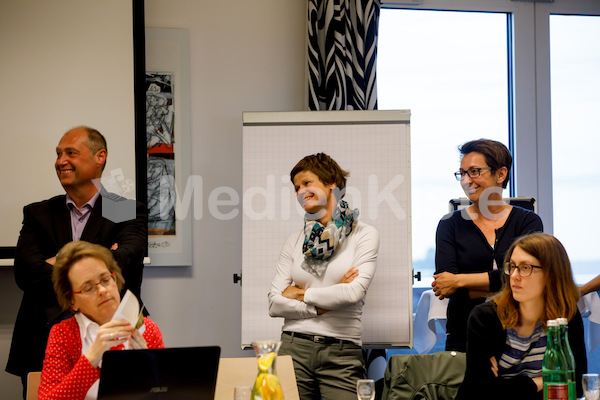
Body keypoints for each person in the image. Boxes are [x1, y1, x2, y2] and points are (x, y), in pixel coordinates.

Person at [6, 126, 148, 396]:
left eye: (71, 153)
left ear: (100, 157)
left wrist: (58, 259)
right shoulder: (39, 212)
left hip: (115, 336)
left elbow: (125, 263)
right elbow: (26, 274)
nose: (61, 161)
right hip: (42, 338)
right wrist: (102, 253)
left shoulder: (124, 208)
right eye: (58, 154)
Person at [268, 153, 379, 400]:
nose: (300, 192)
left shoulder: (364, 235)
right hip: (293, 348)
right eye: (296, 187)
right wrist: (321, 307)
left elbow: (352, 293)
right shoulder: (295, 240)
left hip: (342, 351)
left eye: (307, 183)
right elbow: (275, 303)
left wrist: (300, 294)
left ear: (331, 183)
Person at [433, 139, 543, 352]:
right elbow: (446, 287)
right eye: (462, 173)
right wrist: (506, 282)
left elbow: (529, 278)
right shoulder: (449, 224)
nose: (466, 180)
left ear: (501, 174)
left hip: (521, 334)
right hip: (464, 335)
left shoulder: (528, 222)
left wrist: (460, 280)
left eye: (474, 171)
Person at [455, 233, 587, 400]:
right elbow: (481, 392)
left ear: (551, 274)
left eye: (525, 268)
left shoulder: (567, 316)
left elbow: (575, 386)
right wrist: (539, 383)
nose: (514, 276)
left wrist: (504, 387)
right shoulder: (485, 318)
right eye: (512, 266)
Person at [38, 241, 163, 400]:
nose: (103, 290)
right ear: (72, 301)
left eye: (105, 279)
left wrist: (148, 370)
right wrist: (92, 357)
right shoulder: (63, 334)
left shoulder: (148, 330)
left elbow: (163, 394)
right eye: (88, 288)